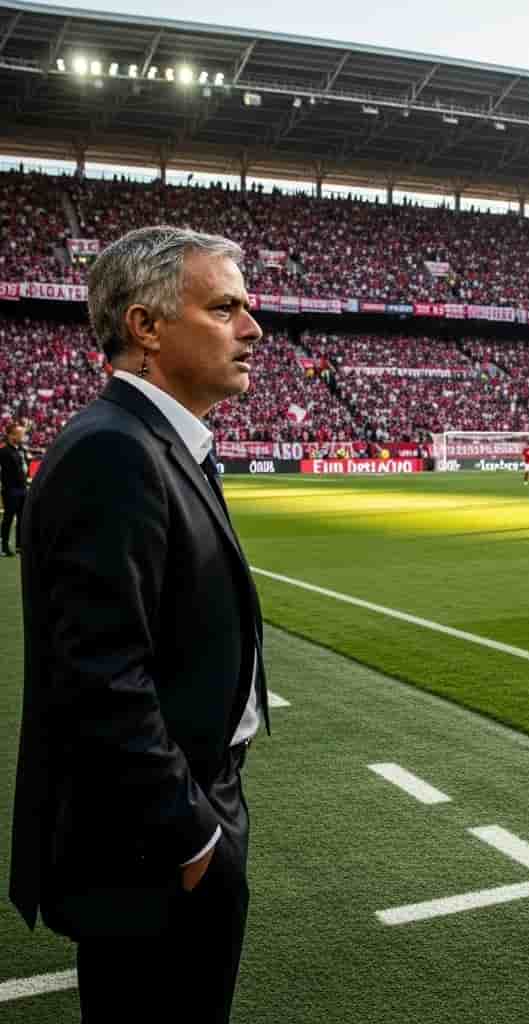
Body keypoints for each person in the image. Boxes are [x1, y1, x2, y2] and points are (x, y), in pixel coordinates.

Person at [9, 226, 270, 1024]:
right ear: (145, 327)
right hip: (154, 846)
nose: (254, 328)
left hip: (185, 813)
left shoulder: (155, 441)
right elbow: (100, 677)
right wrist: (194, 841)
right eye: (225, 307)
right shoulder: (115, 452)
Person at [0, 421, 30, 556]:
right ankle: (4, 546)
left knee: (22, 519)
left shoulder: (22, 450)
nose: (23, 437)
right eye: (20, 434)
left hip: (22, 489)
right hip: (11, 490)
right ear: (12, 436)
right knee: (8, 518)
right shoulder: (4, 451)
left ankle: (19, 546)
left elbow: (24, 469)